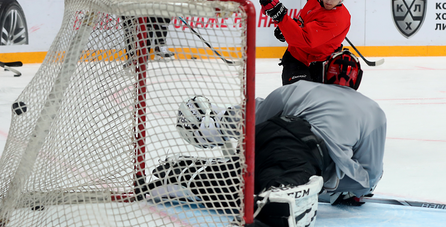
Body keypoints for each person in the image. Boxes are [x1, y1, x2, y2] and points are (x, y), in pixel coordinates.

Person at [152, 51, 385, 227]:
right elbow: (369, 176)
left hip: (264, 139)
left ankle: (175, 171)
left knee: (237, 182)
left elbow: (256, 113)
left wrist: (214, 124)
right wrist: (340, 185)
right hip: (300, 152)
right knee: (274, 199)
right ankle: (282, 194)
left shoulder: (302, 88)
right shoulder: (373, 111)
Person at [260, 0, 351, 86]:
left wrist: (281, 18)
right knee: (296, 97)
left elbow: (305, 40)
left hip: (321, 65)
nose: (328, 0)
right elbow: (302, 21)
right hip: (296, 57)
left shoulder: (338, 19)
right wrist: (288, 28)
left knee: (315, 101)